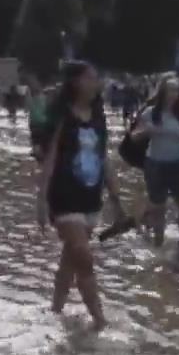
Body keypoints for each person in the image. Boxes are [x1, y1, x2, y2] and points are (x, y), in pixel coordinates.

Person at [36, 61, 126, 330]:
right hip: (64, 196)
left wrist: (116, 198)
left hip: (90, 196)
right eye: (91, 78)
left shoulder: (98, 117)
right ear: (76, 82)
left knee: (71, 259)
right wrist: (41, 201)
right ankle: (100, 320)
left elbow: (104, 159)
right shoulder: (61, 116)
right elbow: (49, 161)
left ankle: (55, 310)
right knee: (83, 256)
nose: (96, 83)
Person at [133, 79, 179, 248]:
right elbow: (134, 136)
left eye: (177, 90)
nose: (174, 94)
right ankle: (158, 244)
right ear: (162, 93)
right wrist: (148, 130)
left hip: (176, 163)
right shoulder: (150, 113)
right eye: (170, 90)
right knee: (160, 206)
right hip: (155, 164)